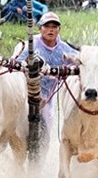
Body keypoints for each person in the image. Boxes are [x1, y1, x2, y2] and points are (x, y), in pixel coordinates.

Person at [16, 12, 78, 151]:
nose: (51, 30)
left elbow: (80, 63)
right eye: (47, 26)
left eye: (54, 27)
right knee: (14, 127)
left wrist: (73, 63)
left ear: (59, 30)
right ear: (40, 28)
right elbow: (16, 66)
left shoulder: (65, 49)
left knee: (46, 130)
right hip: (24, 94)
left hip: (48, 99)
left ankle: (40, 160)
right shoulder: (30, 46)